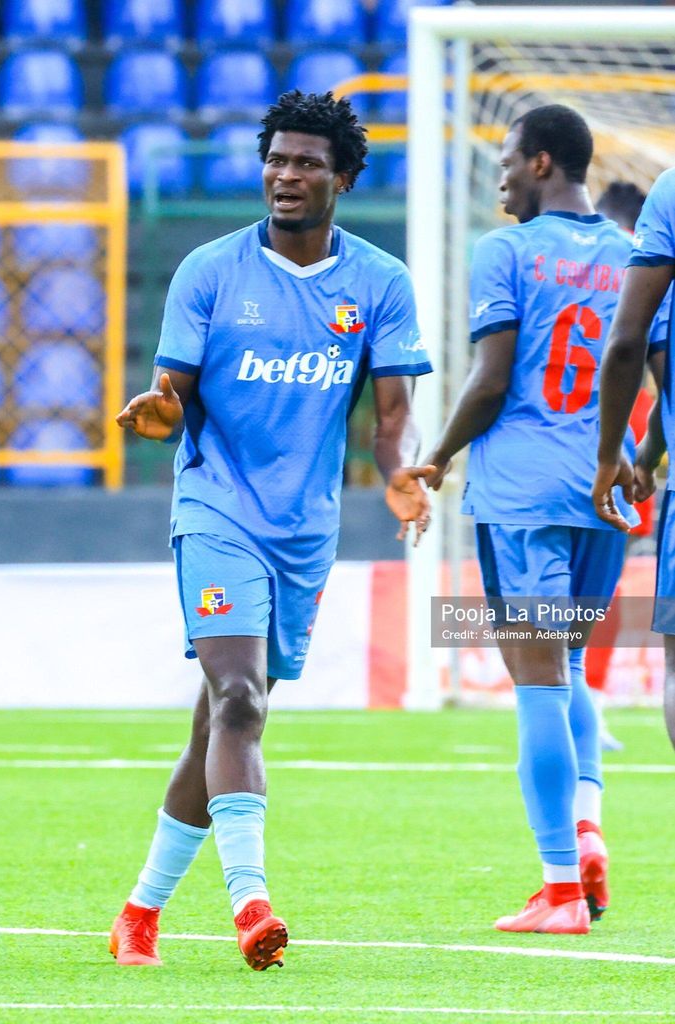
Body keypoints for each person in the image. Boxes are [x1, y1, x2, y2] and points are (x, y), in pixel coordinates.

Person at [111, 90, 433, 971]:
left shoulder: (379, 282)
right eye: (276, 160)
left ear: (343, 178)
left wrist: (399, 471)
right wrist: (160, 413)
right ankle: (251, 906)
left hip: (303, 531)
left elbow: (391, 416)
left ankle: (140, 911)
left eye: (306, 164)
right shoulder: (209, 271)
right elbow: (171, 395)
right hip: (216, 509)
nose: (286, 176)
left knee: (221, 720)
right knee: (241, 700)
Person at [420, 105, 639, 934]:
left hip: (523, 491)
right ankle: (586, 829)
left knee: (538, 680)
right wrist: (641, 458)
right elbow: (653, 368)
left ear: (541, 162)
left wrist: (438, 456)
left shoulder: (504, 251)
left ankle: (558, 888)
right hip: (606, 490)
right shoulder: (630, 253)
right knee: (570, 664)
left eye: (508, 160)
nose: (501, 178)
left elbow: (489, 379)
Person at [594, 166, 675, 753]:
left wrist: (625, 453)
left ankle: (578, 698)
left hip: (574, 456)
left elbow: (632, 346)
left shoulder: (668, 199)